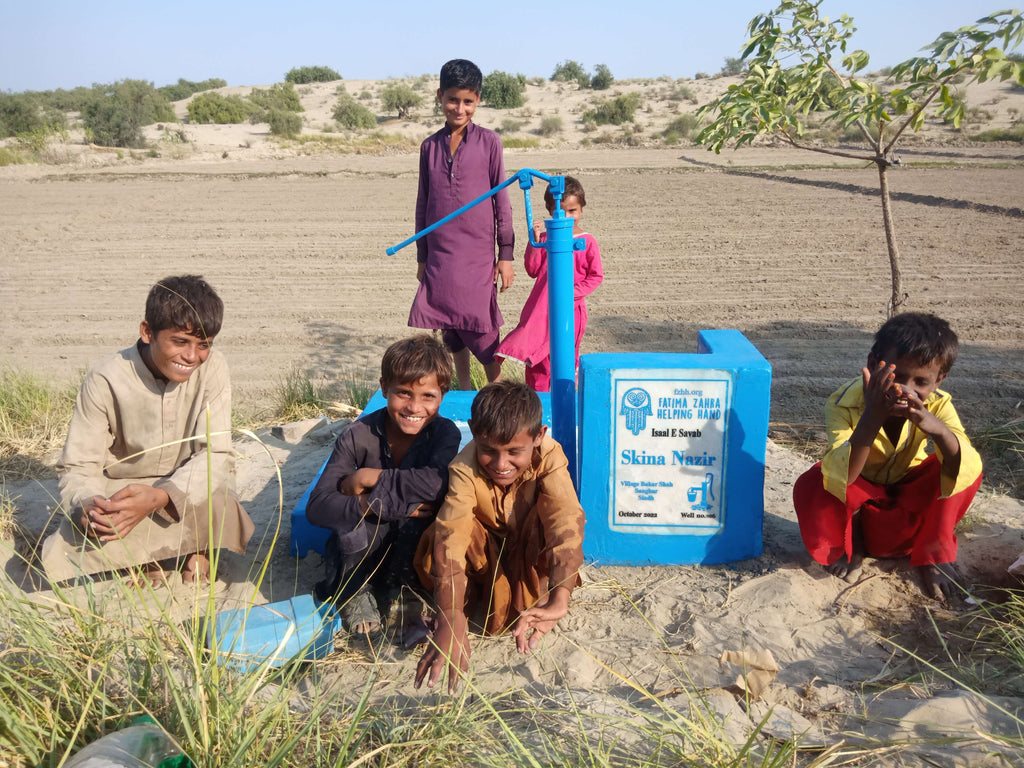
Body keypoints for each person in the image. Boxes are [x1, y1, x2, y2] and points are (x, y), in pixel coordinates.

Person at [41, 275, 254, 585]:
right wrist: (90, 505)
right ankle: (154, 553)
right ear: (147, 332)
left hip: (185, 486)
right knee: (72, 538)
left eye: (203, 345)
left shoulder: (214, 368)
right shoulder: (105, 378)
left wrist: (160, 497)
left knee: (221, 500)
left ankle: (195, 549)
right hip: (122, 492)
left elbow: (216, 454)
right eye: (180, 342)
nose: (192, 356)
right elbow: (79, 466)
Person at [793, 313, 983, 602]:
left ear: (938, 381)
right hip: (860, 497)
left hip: (904, 496)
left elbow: (962, 467)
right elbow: (844, 476)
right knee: (818, 480)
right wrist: (872, 417)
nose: (905, 389)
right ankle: (852, 546)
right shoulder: (845, 402)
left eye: (921, 382)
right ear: (873, 364)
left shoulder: (938, 405)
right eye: (897, 376)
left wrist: (938, 430)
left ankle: (935, 554)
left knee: (967, 465)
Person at [413, 381, 585, 692]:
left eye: (514, 452)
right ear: (473, 432)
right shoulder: (464, 468)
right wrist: (450, 614)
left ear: (539, 437)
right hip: (484, 559)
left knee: (552, 512)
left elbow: (565, 521)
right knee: (438, 538)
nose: (501, 464)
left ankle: (542, 593)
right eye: (489, 451)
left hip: (526, 555)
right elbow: (452, 536)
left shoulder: (549, 457)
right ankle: (465, 606)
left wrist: (561, 599)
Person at [306, 335, 461, 636]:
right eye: (403, 393)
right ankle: (354, 593)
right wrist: (370, 504)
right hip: (363, 544)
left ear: (443, 395)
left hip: (410, 545)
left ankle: (404, 592)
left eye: (428, 396)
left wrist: (368, 479)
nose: (414, 407)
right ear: (383, 388)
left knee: (430, 523)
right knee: (354, 520)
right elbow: (318, 507)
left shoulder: (444, 433)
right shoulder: (358, 434)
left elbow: (438, 482)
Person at [408, 58, 515, 390]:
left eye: (468, 101)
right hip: (441, 256)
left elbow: (502, 201)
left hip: (476, 256)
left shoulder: (489, 143)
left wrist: (506, 254)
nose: (459, 108)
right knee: (450, 329)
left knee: (482, 331)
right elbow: (423, 203)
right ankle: (464, 388)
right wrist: (422, 257)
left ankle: (498, 391)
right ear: (440, 96)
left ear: (478, 100)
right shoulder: (429, 147)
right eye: (453, 99)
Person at [496, 175, 603, 391]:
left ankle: (562, 402)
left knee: (561, 357)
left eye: (572, 211)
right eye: (560, 212)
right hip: (540, 311)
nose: (567, 217)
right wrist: (534, 241)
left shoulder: (587, 242)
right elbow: (533, 269)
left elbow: (596, 276)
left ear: (581, 209)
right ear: (550, 210)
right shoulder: (544, 239)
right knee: (538, 361)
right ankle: (539, 403)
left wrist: (570, 292)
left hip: (570, 311)